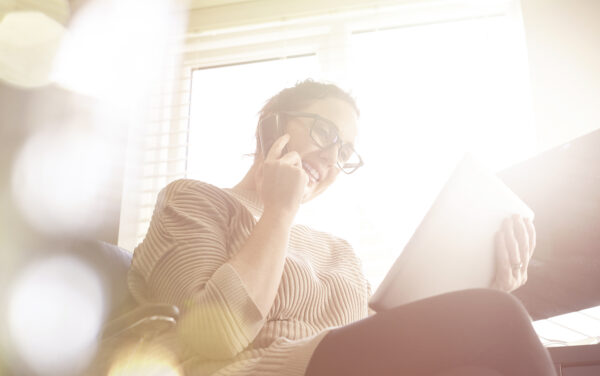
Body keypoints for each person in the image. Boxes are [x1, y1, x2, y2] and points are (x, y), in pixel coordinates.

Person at [126, 80, 557, 376]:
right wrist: (278, 210)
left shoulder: (340, 252)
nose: (333, 158)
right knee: (493, 319)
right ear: (271, 123)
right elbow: (213, 336)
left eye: (345, 150)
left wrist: (487, 288)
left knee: (487, 331)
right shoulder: (194, 199)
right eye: (324, 132)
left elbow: (373, 336)